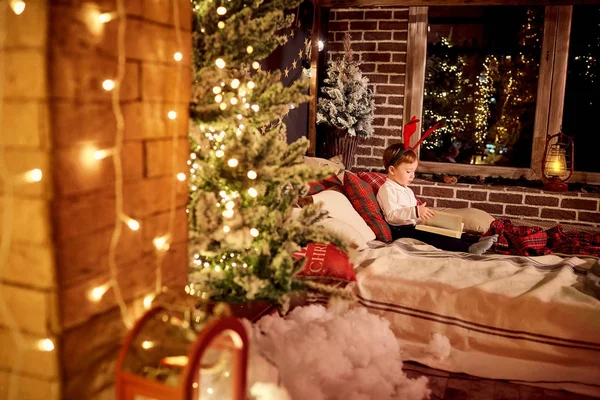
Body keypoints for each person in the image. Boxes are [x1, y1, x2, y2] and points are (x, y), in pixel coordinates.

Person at [377, 143, 497, 254]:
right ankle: (468, 248)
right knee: (434, 236)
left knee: (442, 229)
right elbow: (392, 215)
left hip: (413, 225)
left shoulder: (407, 190)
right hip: (400, 230)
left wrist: (425, 220)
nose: (412, 175)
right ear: (392, 170)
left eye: (414, 171)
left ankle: (476, 240)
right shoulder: (387, 189)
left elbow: (415, 214)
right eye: (408, 171)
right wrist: (416, 211)